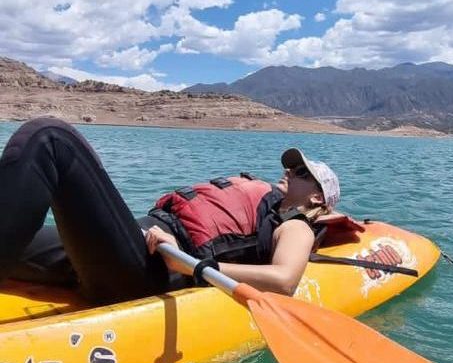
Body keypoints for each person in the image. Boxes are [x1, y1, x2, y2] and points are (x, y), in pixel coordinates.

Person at [0, 118, 341, 304]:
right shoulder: (265, 204)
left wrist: (188, 264)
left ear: (317, 199)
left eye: (301, 173)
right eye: (290, 167)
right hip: (119, 251)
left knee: (51, 139)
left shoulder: (296, 226)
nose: (288, 172)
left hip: (144, 270)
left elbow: (284, 281)